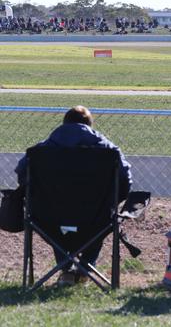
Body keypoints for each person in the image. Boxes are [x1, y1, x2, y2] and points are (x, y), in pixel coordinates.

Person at [15, 105, 133, 286]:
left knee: (55, 221)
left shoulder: (39, 152)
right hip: (96, 218)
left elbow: (22, 175)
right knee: (100, 220)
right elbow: (126, 180)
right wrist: (112, 201)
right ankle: (84, 269)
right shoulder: (109, 151)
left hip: (49, 217)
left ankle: (67, 269)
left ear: (64, 124)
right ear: (89, 125)